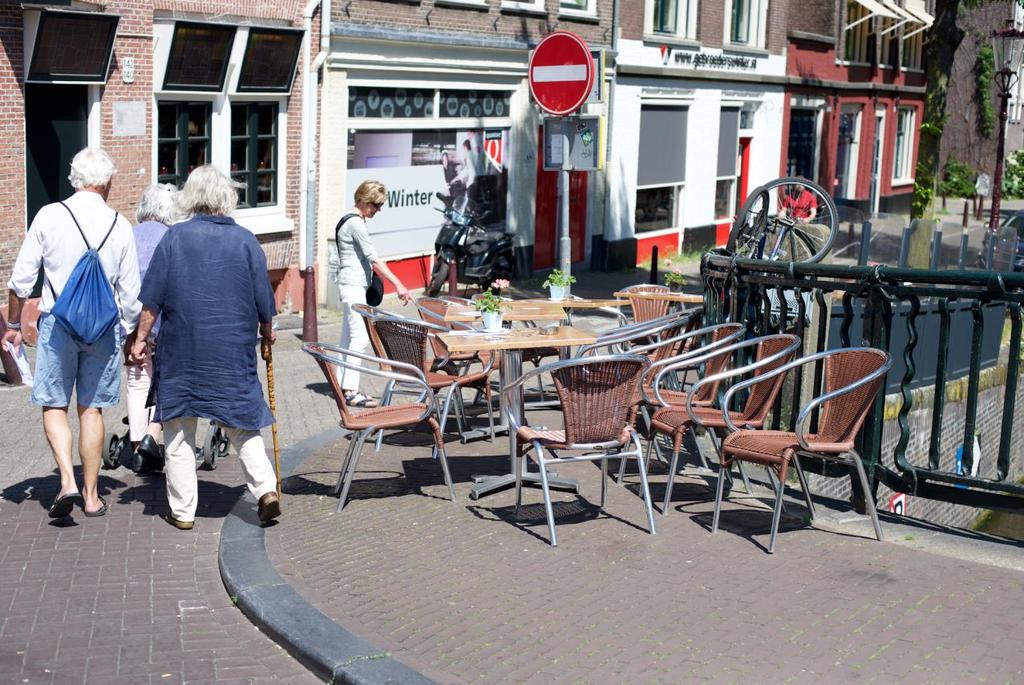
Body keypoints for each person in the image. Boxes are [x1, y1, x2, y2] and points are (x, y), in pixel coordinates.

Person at [130, 165, 281, 529]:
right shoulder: (247, 241)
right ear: (226, 198)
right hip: (232, 350)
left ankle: (183, 512)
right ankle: (265, 489)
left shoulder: (174, 238)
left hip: (182, 350)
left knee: (178, 428)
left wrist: (140, 340)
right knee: (242, 421)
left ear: (190, 198)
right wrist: (266, 332)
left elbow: (152, 301)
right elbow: (265, 302)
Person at [4, 147, 141, 519]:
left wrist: (14, 325)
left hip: (57, 327)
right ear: (108, 182)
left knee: (54, 404)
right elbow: (130, 295)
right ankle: (93, 495)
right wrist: (130, 335)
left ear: (74, 180)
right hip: (103, 330)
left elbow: (20, 281)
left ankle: (66, 480)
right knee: (91, 409)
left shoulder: (50, 216)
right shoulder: (120, 224)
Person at [335, 180, 412, 408]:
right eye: (376, 206)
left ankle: (342, 385)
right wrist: (399, 284)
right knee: (359, 338)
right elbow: (373, 257)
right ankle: (350, 391)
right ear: (364, 201)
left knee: (348, 338)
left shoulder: (346, 219)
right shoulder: (356, 224)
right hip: (353, 287)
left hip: (349, 285)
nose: (378, 211)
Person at [124, 183, 177, 473]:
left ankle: (135, 446)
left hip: (130, 322)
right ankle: (152, 438)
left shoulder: (128, 236)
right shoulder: (172, 239)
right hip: (162, 323)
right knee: (164, 380)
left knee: (136, 380)